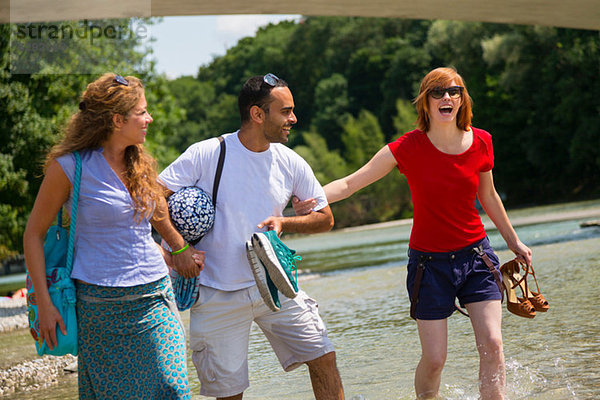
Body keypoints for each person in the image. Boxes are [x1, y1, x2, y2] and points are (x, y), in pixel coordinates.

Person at [294, 67, 532, 399]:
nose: (446, 97)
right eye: (437, 92)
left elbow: (488, 195)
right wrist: (309, 200)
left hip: (477, 257)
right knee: (435, 359)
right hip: (429, 266)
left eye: (454, 91)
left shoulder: (481, 141)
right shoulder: (407, 147)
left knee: (492, 344)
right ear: (426, 101)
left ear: (463, 98)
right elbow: (351, 183)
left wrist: (513, 241)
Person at [158, 73, 345, 400]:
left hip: (277, 285)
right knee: (230, 394)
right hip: (216, 294)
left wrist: (287, 222)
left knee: (323, 356)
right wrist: (178, 249)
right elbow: (153, 197)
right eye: (285, 111)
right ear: (258, 115)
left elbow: (325, 218)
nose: (293, 119)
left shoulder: (290, 162)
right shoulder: (207, 153)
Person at [23, 73, 204, 399]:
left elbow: (157, 213)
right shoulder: (69, 168)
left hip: (155, 298)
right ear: (118, 119)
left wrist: (178, 250)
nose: (149, 119)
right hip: (100, 310)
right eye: (142, 112)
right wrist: (44, 303)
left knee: (174, 389)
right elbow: (33, 235)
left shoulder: (141, 162)